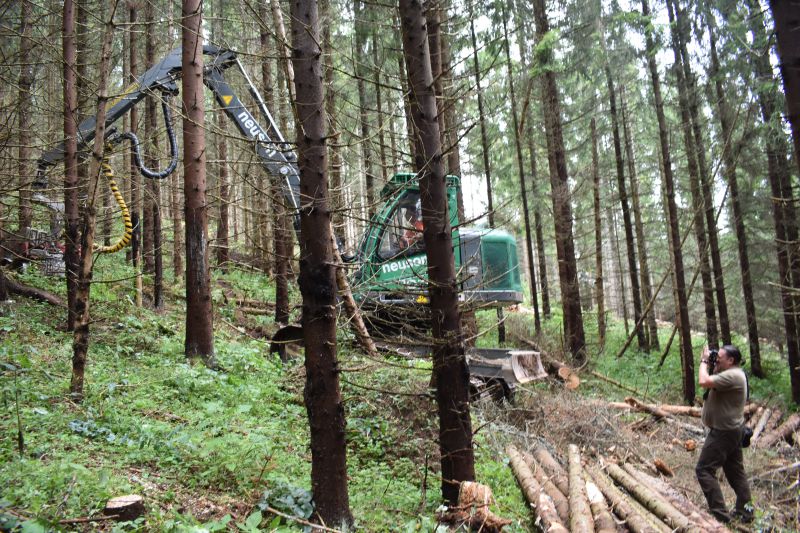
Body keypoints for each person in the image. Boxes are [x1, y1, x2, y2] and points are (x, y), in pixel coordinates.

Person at [696, 344, 754, 523]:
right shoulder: (731, 374)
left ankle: (721, 517)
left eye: (719, 357)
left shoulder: (733, 375)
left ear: (731, 360)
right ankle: (746, 512)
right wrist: (713, 364)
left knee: (704, 469)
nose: (716, 358)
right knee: (735, 472)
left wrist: (704, 361)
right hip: (732, 430)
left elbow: (704, 381)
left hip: (724, 433)